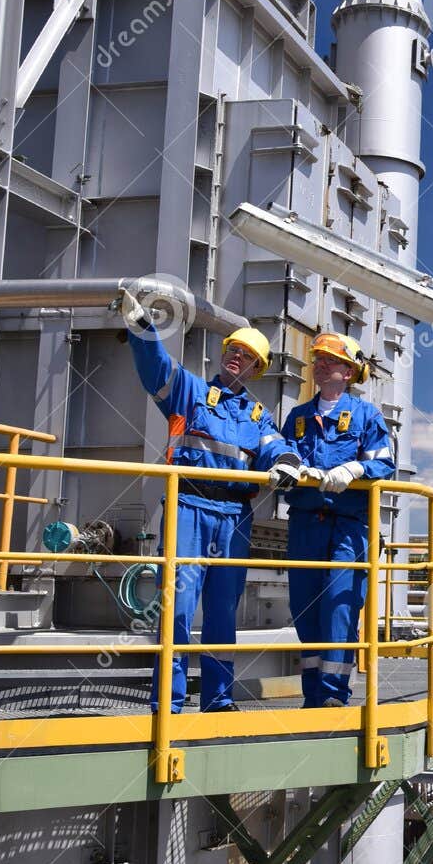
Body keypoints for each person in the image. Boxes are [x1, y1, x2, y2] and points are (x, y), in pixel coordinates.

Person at [123, 294, 302, 712]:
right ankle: (168, 701)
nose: (237, 357)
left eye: (247, 356)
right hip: (188, 507)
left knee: (223, 611)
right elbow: (156, 368)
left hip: (234, 517)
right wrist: (142, 329)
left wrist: (288, 462)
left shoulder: (257, 416)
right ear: (223, 355)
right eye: (233, 350)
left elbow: (276, 446)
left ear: (257, 369)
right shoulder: (190, 392)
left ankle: (218, 699)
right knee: (179, 607)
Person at [281, 332, 397, 707]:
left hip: (349, 526)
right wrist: (287, 466)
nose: (321, 365)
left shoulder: (366, 415)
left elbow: (384, 462)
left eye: (330, 360)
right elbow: (285, 455)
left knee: (339, 607)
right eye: (318, 359)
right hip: (305, 524)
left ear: (348, 372)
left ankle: (333, 694)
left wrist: (355, 468)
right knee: (304, 608)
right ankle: (312, 695)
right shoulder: (298, 417)